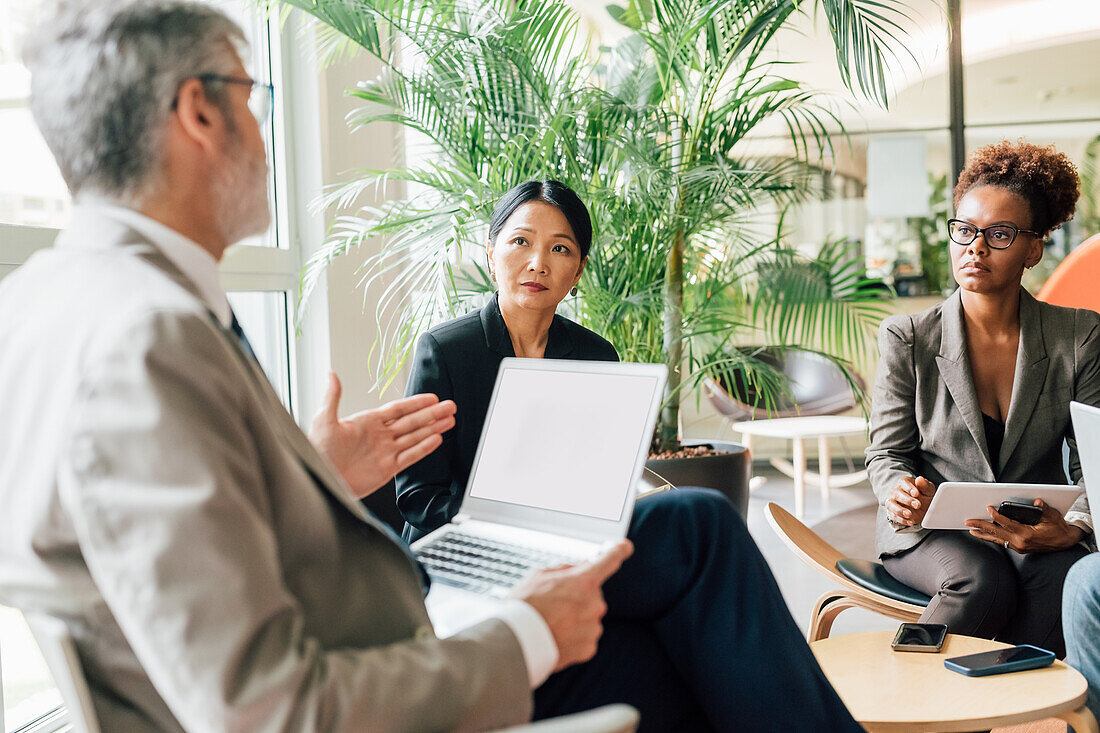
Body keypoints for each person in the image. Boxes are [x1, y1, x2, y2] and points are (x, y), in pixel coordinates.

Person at [0, 3, 858, 732]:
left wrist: (316, 477)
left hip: (405, 626)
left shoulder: (69, 301)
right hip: (408, 657)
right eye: (255, 100)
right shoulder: (142, 342)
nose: (263, 132)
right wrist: (527, 631)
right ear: (199, 112)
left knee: (693, 567)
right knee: (691, 616)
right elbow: (271, 708)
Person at [396, 179, 862, 729]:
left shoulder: (595, 354)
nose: (537, 262)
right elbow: (418, 499)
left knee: (685, 625)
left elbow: (603, 478)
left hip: (579, 552)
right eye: (520, 241)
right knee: (699, 538)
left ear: (579, 270)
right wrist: (509, 531)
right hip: (477, 564)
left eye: (560, 249)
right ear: (491, 250)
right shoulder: (447, 352)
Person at [866, 140, 1100, 658]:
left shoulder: (1077, 337)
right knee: (980, 579)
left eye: (999, 234)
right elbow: (885, 454)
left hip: (1028, 524)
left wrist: (1076, 527)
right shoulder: (909, 337)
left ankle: (1004, 709)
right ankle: (907, 698)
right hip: (928, 527)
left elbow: (1095, 466)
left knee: (1064, 574)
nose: (975, 247)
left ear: (1033, 250)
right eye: (965, 230)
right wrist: (898, 489)